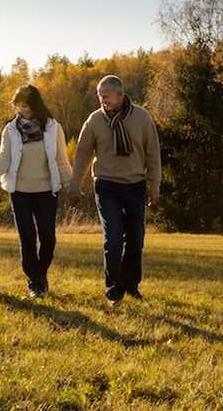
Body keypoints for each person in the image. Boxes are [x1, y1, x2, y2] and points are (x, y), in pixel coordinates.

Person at [0, 85, 72, 298]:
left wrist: (73, 189)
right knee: (26, 236)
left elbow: (62, 162)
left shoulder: (53, 128)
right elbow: (2, 162)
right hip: (19, 192)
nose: (20, 109)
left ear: (35, 105)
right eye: (17, 105)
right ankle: (35, 283)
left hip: (46, 191)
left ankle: (40, 274)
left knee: (48, 238)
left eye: (24, 105)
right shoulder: (11, 130)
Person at [69, 75, 161, 306]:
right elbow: (82, 154)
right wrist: (74, 185)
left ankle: (130, 286)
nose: (102, 100)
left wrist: (154, 185)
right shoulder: (94, 120)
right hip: (106, 185)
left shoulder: (142, 118)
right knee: (112, 239)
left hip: (135, 185)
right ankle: (113, 290)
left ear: (120, 95)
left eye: (106, 96)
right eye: (100, 96)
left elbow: (153, 153)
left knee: (135, 238)